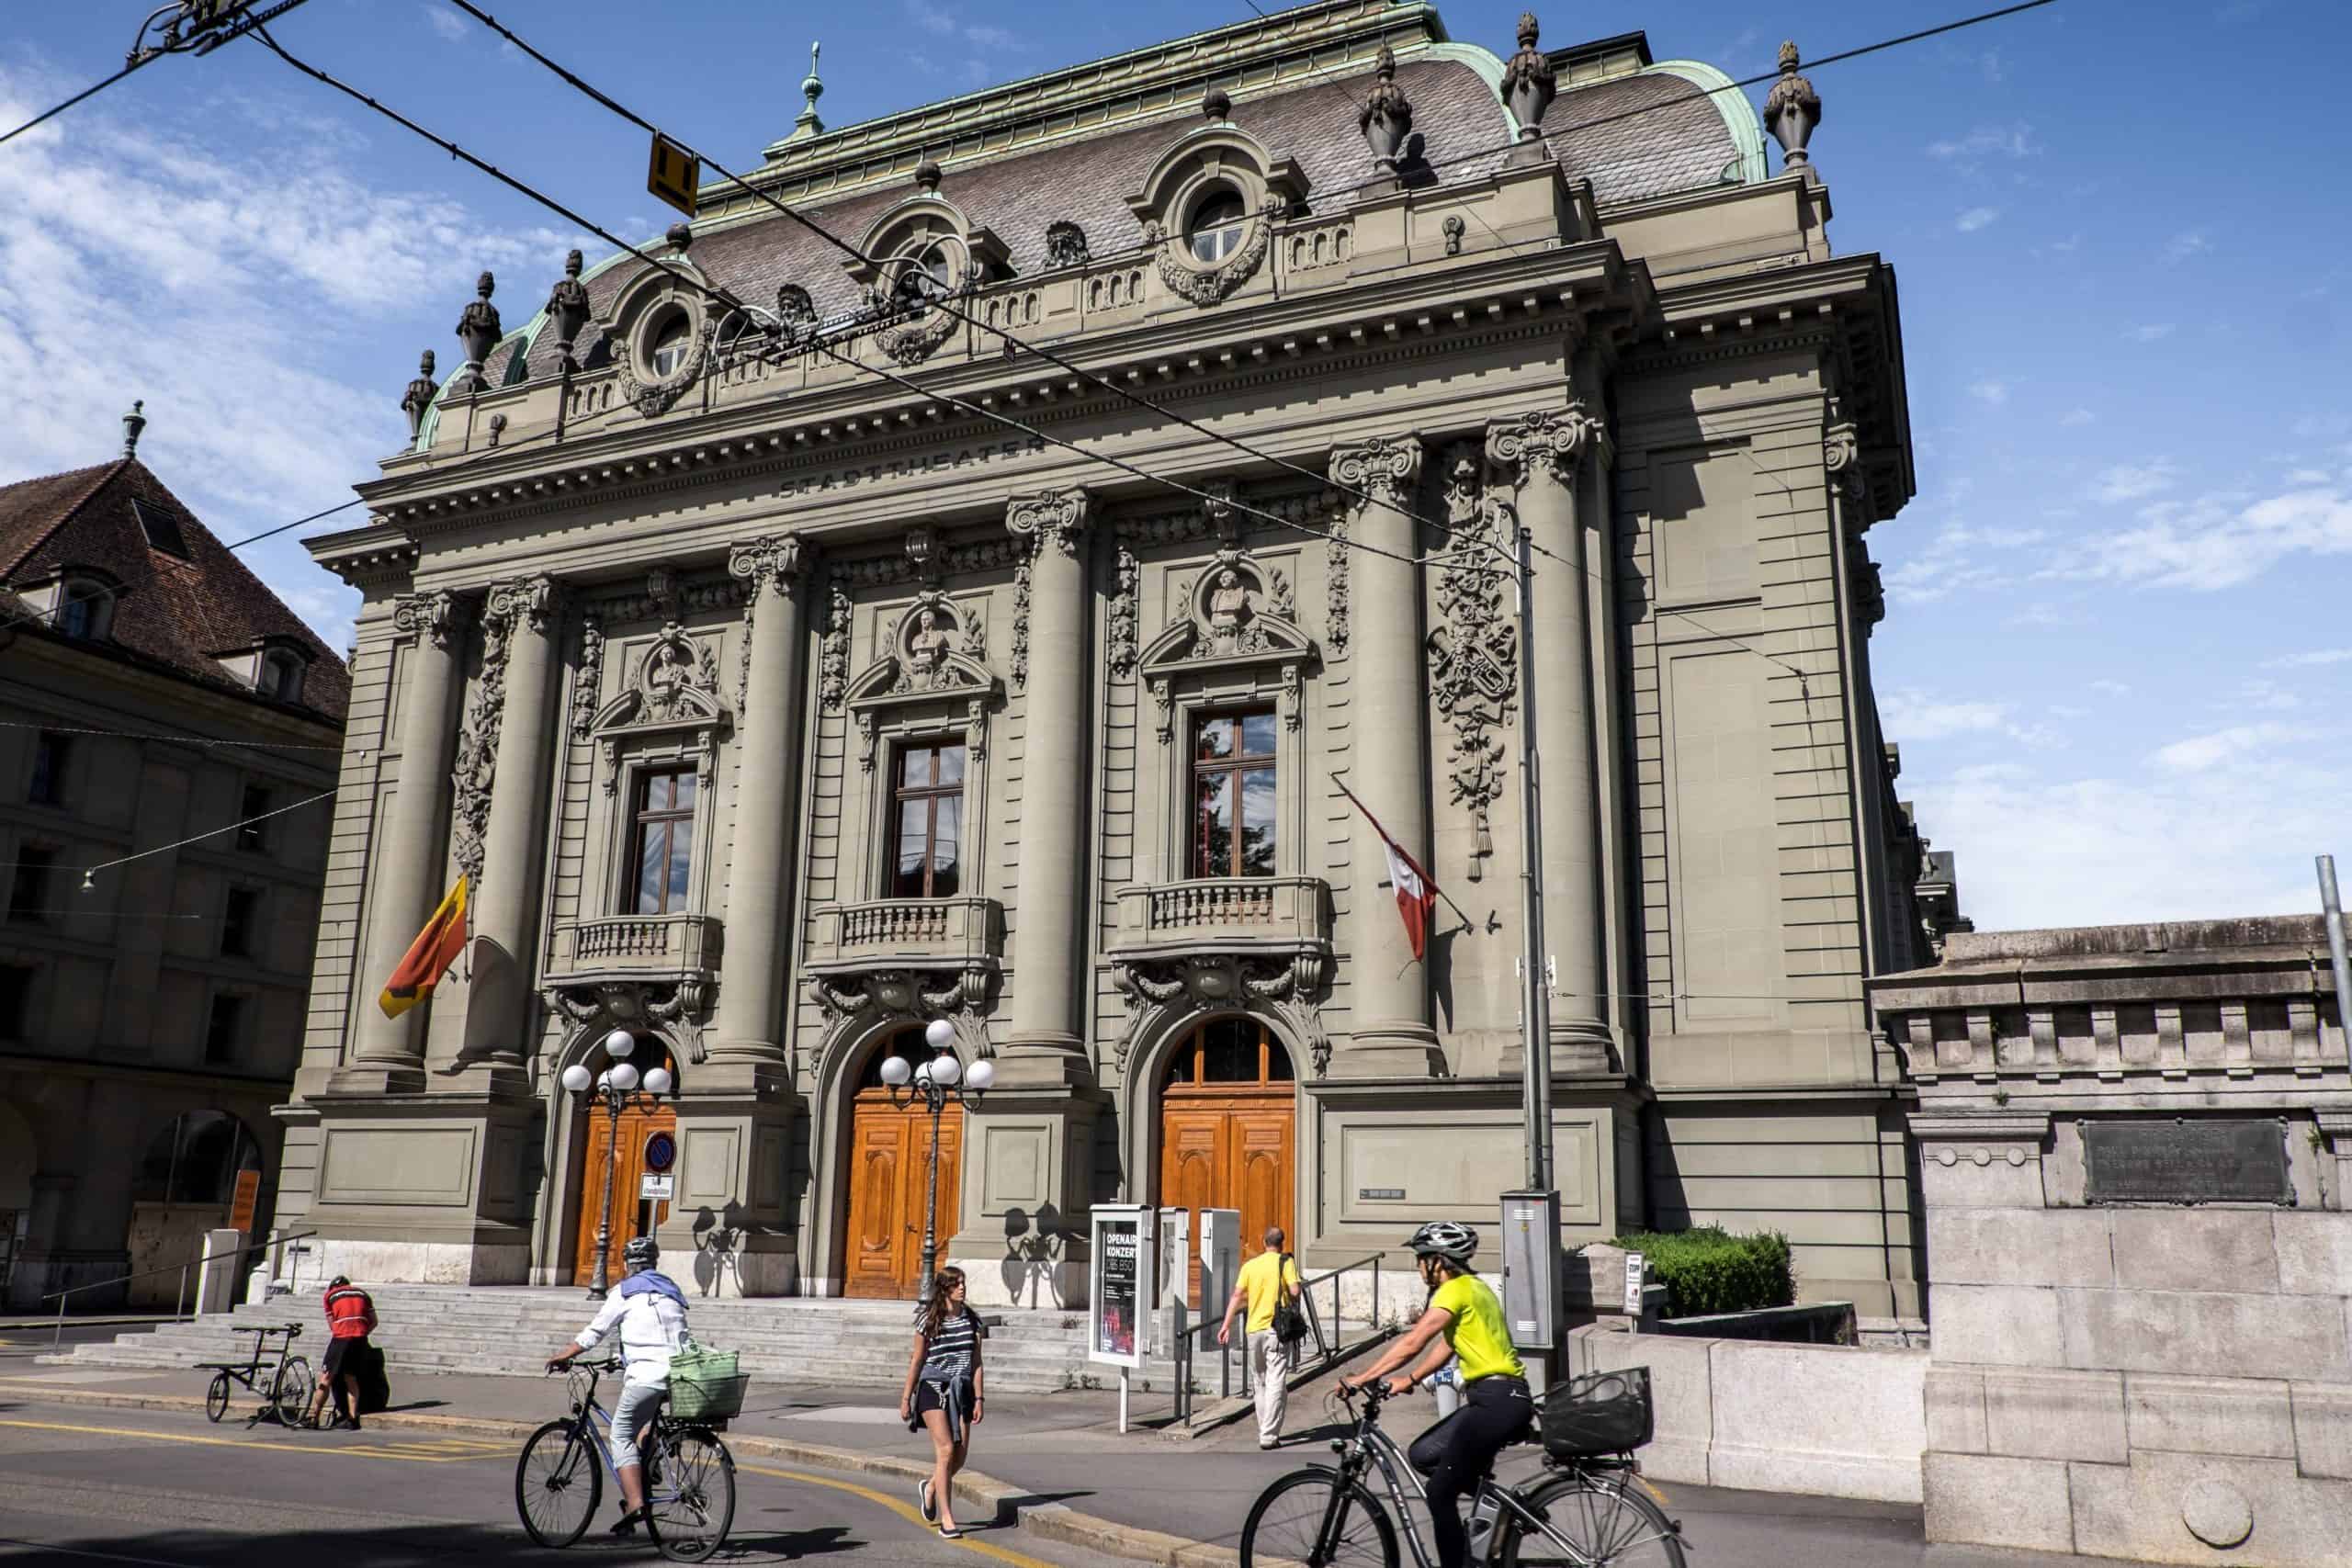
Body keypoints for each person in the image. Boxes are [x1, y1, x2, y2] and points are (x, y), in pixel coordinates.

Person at [1342, 1222, 1531, 1568]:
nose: (1419, 1267)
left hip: (1494, 1400)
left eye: (1421, 1259)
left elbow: (1415, 1341)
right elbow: (1446, 1346)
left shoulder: (1453, 1291)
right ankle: (1498, 1509)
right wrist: (1409, 1379)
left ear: (1439, 1262)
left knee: (1439, 1492)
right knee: (1423, 1454)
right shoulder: (1477, 1288)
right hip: (1504, 1398)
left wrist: (1363, 1378)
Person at [547, 1236, 688, 1538]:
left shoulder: (623, 1292)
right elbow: (660, 1334)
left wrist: (566, 1354)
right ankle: (649, 1460)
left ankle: (636, 1502)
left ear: (626, 1264)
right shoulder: (670, 1291)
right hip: (681, 1374)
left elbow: (594, 1332)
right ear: (654, 1263)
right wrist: (620, 1358)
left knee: (621, 1433)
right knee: (645, 1422)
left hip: (647, 1375)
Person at [899, 1267, 986, 1540]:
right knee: (946, 1450)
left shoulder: (972, 1320)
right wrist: (905, 1398)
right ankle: (948, 1519)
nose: (962, 1288)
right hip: (932, 1387)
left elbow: (976, 1363)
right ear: (945, 1289)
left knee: (960, 1456)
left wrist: (980, 1398)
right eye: (956, 1284)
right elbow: (917, 1360)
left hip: (962, 1389)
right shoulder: (928, 1320)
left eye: (963, 1283)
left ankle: (932, 1488)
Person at [1217, 1226, 1304, 1449]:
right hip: (1276, 1330)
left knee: (1260, 1382)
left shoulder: (1250, 1266)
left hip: (1253, 1330)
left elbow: (1237, 1295)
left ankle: (1264, 1428)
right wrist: (1294, 1285)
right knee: (1276, 1381)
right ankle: (1268, 1435)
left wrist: (1226, 1325)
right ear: (1282, 1243)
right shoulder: (1286, 1262)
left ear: (1263, 1241)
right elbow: (1295, 1291)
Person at [305, 1274, 377, 1430]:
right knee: (351, 1378)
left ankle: (314, 1417)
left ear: (333, 1287)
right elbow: (374, 1321)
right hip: (360, 1339)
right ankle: (352, 1418)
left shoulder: (329, 1296)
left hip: (341, 1338)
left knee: (326, 1379)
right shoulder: (363, 1293)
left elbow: (332, 1326)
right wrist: (362, 1332)